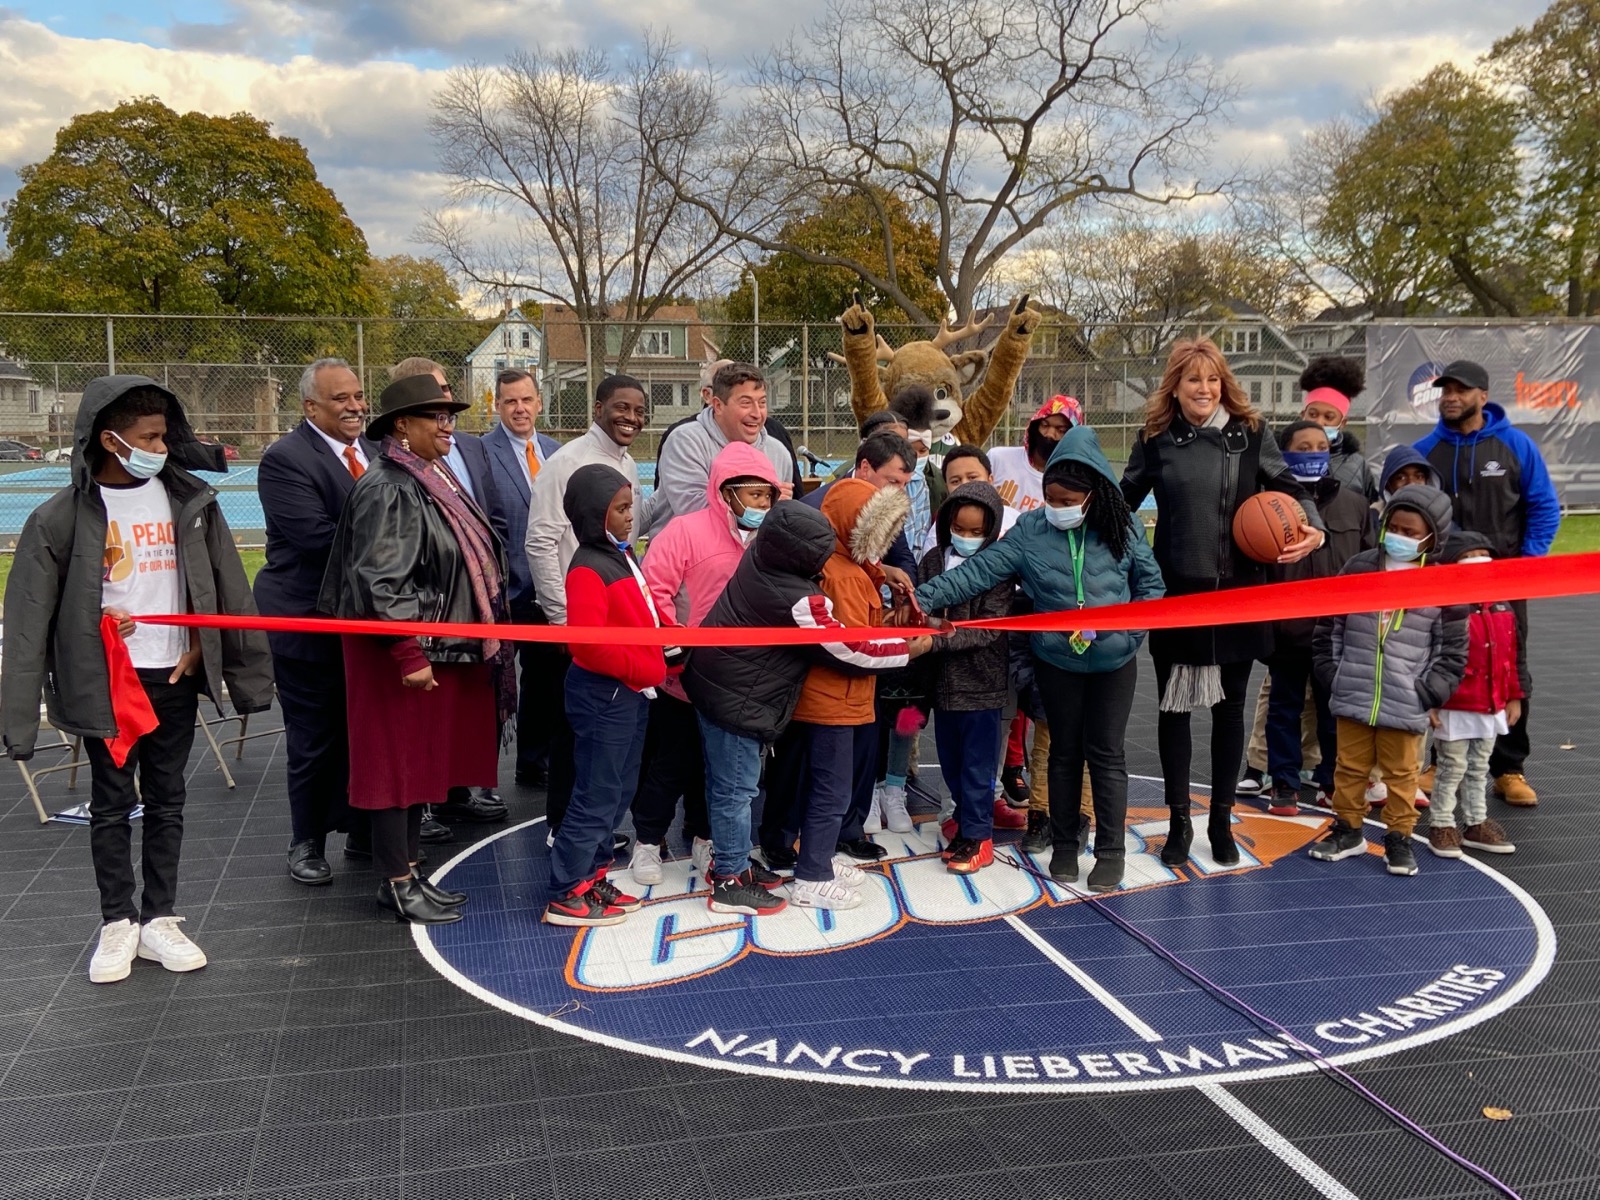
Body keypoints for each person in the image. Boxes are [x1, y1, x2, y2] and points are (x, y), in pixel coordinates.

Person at [2, 376, 273, 982]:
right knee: (112, 802)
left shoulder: (189, 500)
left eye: (164, 436)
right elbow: (29, 621)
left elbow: (224, 586)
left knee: (169, 797)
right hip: (107, 681)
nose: (162, 447)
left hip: (173, 672)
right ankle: (117, 923)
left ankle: (161, 919)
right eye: (150, 437)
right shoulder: (60, 518)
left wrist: (209, 651)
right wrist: (21, 716)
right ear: (110, 439)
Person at [916, 427, 1164, 891]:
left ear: (1093, 495)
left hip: (1113, 661)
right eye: (1050, 496)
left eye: (1067, 498)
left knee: (1107, 756)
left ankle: (1110, 851)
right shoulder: (1031, 530)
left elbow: (1151, 589)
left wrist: (1127, 637)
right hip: (1057, 660)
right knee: (1063, 754)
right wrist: (921, 599)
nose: (1057, 505)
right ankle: (1065, 847)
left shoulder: (1123, 525)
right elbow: (976, 573)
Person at [317, 375, 514, 924]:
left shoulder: (426, 477)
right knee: (395, 767)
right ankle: (397, 882)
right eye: (436, 416)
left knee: (416, 765)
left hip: (425, 646)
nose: (448, 426)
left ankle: (407, 871)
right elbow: (382, 579)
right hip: (398, 654)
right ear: (402, 425)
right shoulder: (391, 486)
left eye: (451, 416)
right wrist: (408, 652)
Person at [1121, 338, 1323, 868]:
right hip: (1178, 594)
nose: (1204, 389)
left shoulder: (1252, 434)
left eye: (1212, 379)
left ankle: (1220, 819)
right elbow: (1121, 505)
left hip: (1238, 592)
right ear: (1176, 386)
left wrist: (1314, 529)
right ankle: (1181, 821)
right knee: (1175, 709)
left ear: (1223, 383)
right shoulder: (1155, 439)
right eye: (1193, 380)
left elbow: (1291, 488)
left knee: (1230, 709)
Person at [684, 502, 914, 915]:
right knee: (736, 791)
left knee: (731, 787)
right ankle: (730, 882)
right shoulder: (796, 596)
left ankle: (735, 863)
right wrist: (907, 648)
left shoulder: (761, 554)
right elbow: (847, 648)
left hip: (722, 686)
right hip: (736, 699)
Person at [766, 480, 927, 906]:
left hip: (831, 698)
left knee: (821, 785)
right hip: (835, 701)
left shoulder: (839, 567)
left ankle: (815, 857)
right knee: (831, 789)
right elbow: (854, 647)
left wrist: (891, 621)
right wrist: (908, 647)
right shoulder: (846, 577)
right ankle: (812, 874)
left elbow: (858, 634)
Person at [1413, 360, 1560, 808]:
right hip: (1443, 583)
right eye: (1445, 390)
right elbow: (1411, 513)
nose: (1450, 397)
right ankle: (1441, 760)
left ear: (1483, 394)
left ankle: (1509, 768)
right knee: (1445, 664)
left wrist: (1526, 566)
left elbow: (1544, 507)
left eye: (1460, 389)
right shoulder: (1425, 451)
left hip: (1503, 582)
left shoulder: (1515, 445)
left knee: (1510, 667)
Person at [632, 443, 781, 884]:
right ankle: (647, 843)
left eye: (767, 496)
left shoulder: (769, 540)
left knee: (718, 769)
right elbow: (654, 590)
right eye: (753, 495)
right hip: (685, 678)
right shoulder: (683, 531)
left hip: (738, 683)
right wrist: (675, 645)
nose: (761, 505)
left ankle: (703, 840)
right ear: (726, 491)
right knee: (671, 764)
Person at [255, 358, 376, 884]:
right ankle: (305, 841)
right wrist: (402, 553)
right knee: (314, 737)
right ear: (310, 407)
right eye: (341, 399)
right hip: (309, 621)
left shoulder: (374, 452)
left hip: (366, 621)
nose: (355, 407)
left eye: (358, 396)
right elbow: (319, 539)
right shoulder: (285, 460)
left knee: (363, 730)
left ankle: (363, 829)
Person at [1310, 484, 1468, 877]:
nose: (1400, 537)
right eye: (1394, 527)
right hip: (1354, 690)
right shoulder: (1359, 567)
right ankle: (1348, 829)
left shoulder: (1443, 585)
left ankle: (1399, 836)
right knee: (1348, 768)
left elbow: (1451, 651)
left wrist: (1428, 692)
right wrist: (1334, 673)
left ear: (1433, 537)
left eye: (1412, 533)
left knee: (1402, 775)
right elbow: (1330, 625)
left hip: (1406, 699)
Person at [543, 465, 673, 928]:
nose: (629, 517)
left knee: (616, 793)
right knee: (596, 795)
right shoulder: (587, 567)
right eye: (619, 509)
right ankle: (566, 890)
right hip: (606, 695)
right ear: (594, 513)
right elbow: (587, 643)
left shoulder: (619, 556)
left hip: (629, 693)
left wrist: (666, 639)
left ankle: (592, 876)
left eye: (630, 507)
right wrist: (649, 666)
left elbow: (636, 616)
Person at [525, 375, 649, 841]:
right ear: (597, 408)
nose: (631, 418)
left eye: (639, 411)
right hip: (578, 622)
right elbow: (540, 543)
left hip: (615, 621)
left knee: (607, 736)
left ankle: (594, 826)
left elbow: (627, 536)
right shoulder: (567, 463)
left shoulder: (629, 465)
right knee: (573, 730)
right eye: (621, 407)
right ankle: (563, 826)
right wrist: (562, 623)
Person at [1262, 421, 1375, 816]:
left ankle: (1332, 781)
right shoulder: (1266, 505)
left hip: (1338, 631)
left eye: (1319, 447)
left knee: (1335, 711)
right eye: (1302, 446)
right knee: (1284, 711)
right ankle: (1284, 784)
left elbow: (1370, 563)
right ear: (1284, 453)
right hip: (1287, 629)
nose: (1312, 453)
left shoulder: (1355, 504)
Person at [911, 482, 1015, 873]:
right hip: (942, 685)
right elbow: (920, 607)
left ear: (990, 531)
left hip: (982, 684)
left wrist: (934, 639)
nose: (967, 538)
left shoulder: (998, 568)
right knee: (952, 763)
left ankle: (979, 835)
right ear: (947, 524)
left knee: (978, 766)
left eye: (976, 532)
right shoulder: (933, 562)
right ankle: (964, 825)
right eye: (960, 529)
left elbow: (988, 629)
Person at [480, 368, 563, 788]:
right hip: (501, 592)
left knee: (544, 683)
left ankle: (534, 762)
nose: (519, 408)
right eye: (510, 401)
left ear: (539, 402)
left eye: (526, 399)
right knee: (493, 687)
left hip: (545, 591)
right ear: (496, 405)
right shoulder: (481, 453)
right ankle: (479, 780)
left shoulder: (554, 451)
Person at [1425, 533, 1522, 857]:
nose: (1479, 559)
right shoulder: (1444, 608)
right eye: (1471, 555)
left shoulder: (1502, 605)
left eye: (1484, 554)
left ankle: (1476, 821)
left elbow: (1512, 655)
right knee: (1451, 766)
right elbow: (1428, 656)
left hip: (1491, 702)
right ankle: (1441, 822)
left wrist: (1514, 695)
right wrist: (1430, 699)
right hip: (1454, 702)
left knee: (1480, 765)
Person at [645, 361, 797, 538]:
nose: (757, 413)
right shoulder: (686, 441)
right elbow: (693, 512)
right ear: (717, 405)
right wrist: (765, 505)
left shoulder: (778, 452)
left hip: (750, 559)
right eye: (746, 403)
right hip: (685, 557)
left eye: (762, 403)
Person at [804, 432, 921, 580]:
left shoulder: (888, 502)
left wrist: (906, 593)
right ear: (865, 468)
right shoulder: (816, 508)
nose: (900, 492)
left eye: (905, 484)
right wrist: (880, 570)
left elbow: (901, 555)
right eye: (893, 482)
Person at [1299, 357, 1379, 502]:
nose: (1319, 423)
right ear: (1302, 415)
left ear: (1342, 423)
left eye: (1329, 417)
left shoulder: (1358, 465)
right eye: (1313, 414)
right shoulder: (1279, 458)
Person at [989, 395, 1080, 514]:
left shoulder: (1072, 482)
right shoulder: (998, 458)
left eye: (1061, 430)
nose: (1050, 434)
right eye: (1045, 425)